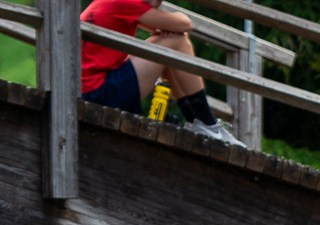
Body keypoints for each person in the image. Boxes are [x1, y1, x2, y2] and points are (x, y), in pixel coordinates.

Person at [79, 0, 243, 146]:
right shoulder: (126, 2)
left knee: (169, 46)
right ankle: (207, 124)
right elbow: (185, 24)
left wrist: (164, 27)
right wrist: (174, 18)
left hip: (90, 91)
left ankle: (201, 124)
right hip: (98, 94)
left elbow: (161, 25)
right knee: (178, 41)